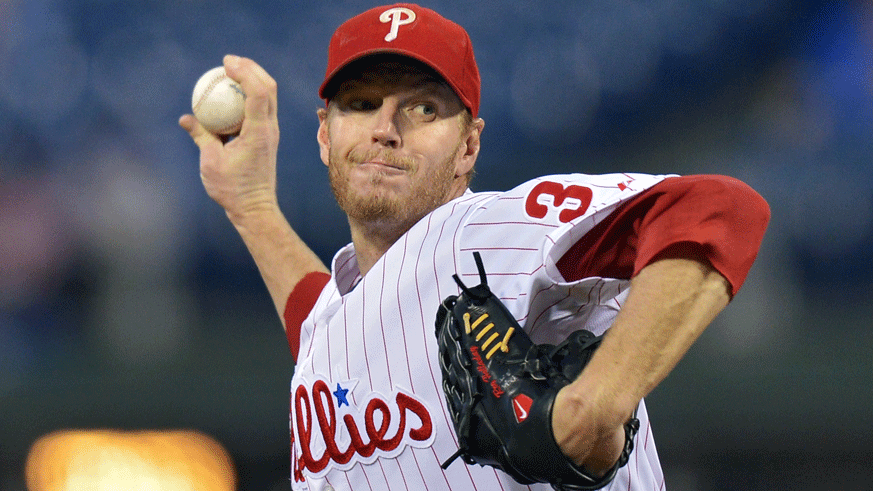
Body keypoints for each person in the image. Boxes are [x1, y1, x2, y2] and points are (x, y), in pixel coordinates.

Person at [179, 4, 770, 490]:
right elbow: (328, 324)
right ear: (325, 135)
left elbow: (719, 209)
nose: (386, 127)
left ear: (468, 148)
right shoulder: (338, 315)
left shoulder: (490, 232)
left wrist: (592, 406)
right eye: (361, 104)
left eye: (422, 108)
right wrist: (252, 206)